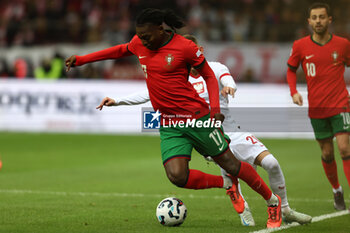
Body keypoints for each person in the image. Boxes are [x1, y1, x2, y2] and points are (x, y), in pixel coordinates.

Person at [66, 8, 282, 228]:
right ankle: (226, 184)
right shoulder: (140, 42)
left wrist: (215, 108)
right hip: (169, 122)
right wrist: (82, 60)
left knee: (232, 164)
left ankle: (272, 201)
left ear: (161, 29)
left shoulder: (184, 47)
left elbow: (208, 74)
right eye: (139, 36)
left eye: (146, 36)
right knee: (177, 176)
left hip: (196, 117)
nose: (142, 41)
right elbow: (119, 50)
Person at [106, 34, 312, 226]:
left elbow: (227, 78)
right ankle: (244, 207)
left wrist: (230, 87)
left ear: (199, 50)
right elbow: (146, 93)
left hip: (233, 130)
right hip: (207, 134)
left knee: (271, 163)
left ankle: (284, 209)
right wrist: (117, 101)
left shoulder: (214, 67)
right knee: (232, 171)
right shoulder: (176, 76)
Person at [287, 2, 350, 211]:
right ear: (309, 21)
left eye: (322, 17)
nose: (318, 21)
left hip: (341, 104)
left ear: (329, 20)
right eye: (314, 17)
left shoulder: (343, 44)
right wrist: (293, 91)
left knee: (344, 148)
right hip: (317, 108)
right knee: (327, 154)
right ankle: (336, 191)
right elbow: (290, 69)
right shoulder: (300, 45)